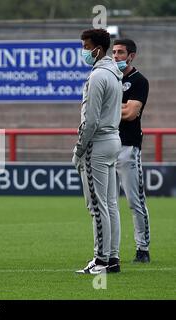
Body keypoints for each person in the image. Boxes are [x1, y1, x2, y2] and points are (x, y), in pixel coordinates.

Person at [73, 29, 123, 274]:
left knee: (97, 206)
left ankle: (101, 260)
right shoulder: (114, 74)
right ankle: (112, 258)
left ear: (97, 49)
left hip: (99, 144)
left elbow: (90, 120)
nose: (83, 52)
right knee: (110, 204)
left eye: (86, 47)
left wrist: (79, 149)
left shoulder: (97, 76)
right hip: (114, 139)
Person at [112, 39, 151, 263]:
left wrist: (108, 108)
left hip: (128, 146)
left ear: (131, 56)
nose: (116, 56)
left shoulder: (139, 81)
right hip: (107, 146)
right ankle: (108, 251)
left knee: (134, 201)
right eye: (114, 52)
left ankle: (142, 248)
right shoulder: (109, 78)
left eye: (120, 52)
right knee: (108, 203)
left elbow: (131, 114)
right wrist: (122, 106)